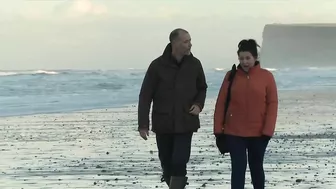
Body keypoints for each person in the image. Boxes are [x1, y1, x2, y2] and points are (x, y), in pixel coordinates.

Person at [138, 28, 208, 188]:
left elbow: (202, 87)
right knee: (167, 162)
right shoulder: (157, 66)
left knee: (180, 160)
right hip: (163, 122)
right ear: (174, 43)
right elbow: (145, 96)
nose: (190, 44)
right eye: (186, 41)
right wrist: (143, 124)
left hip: (186, 120)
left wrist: (198, 104)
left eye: (190, 40)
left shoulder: (195, 64)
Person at [213, 39, 278, 189]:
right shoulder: (231, 76)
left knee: (256, 167)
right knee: (238, 168)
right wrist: (218, 130)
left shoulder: (266, 77)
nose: (244, 62)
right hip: (234, 132)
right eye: (241, 58)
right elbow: (221, 102)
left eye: (248, 58)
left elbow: (272, 104)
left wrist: (268, 130)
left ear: (255, 58)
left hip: (259, 133)